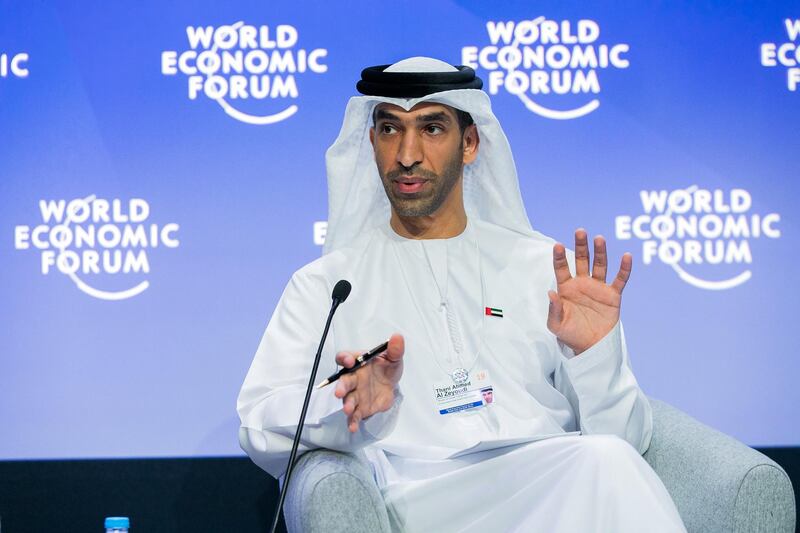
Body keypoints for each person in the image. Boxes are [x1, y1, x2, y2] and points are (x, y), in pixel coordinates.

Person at [237, 57, 686, 532]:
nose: (407, 154)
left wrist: (597, 356)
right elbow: (257, 424)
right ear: (371, 142)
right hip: (421, 502)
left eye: (431, 129)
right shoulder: (328, 286)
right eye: (390, 130)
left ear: (469, 143)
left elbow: (626, 438)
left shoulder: (540, 268)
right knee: (603, 463)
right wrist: (348, 403)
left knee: (608, 459)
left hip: (548, 481)